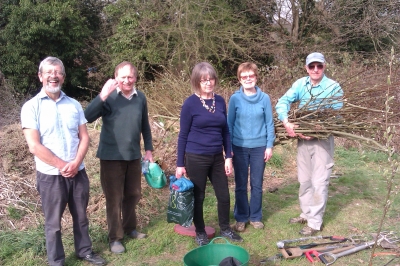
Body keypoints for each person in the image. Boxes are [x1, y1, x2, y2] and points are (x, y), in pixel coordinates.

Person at [21, 56, 106, 266]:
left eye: (58, 72)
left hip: (78, 172)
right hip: (50, 176)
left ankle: (85, 251)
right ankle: (56, 261)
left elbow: (84, 137)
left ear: (63, 77)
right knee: (53, 224)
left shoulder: (74, 105)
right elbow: (34, 145)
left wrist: (76, 163)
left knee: (81, 217)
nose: (54, 76)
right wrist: (62, 166)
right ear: (40, 76)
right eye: (49, 72)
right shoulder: (31, 107)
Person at [84, 61, 153, 254]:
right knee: (114, 199)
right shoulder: (109, 98)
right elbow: (87, 116)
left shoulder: (141, 98)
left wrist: (148, 149)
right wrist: (103, 95)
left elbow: (144, 126)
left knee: (133, 194)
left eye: (130, 76)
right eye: (123, 77)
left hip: (133, 155)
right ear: (116, 78)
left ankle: (130, 228)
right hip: (111, 157)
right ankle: (115, 238)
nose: (127, 80)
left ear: (136, 78)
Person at [275, 52, 343, 236]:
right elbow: (282, 102)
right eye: (311, 66)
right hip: (302, 139)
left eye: (319, 66)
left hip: (322, 140)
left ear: (324, 67)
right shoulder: (300, 84)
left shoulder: (333, 87)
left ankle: (314, 222)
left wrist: (318, 127)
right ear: (306, 68)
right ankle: (306, 213)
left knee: (319, 181)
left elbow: (337, 116)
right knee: (304, 179)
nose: (315, 69)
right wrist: (287, 122)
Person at [175, 62, 243, 246]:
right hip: (196, 156)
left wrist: (228, 156)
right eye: (203, 80)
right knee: (199, 196)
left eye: (211, 79)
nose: (208, 83)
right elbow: (183, 135)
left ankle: (225, 228)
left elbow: (226, 131)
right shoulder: (190, 104)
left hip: (217, 158)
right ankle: (200, 231)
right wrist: (180, 164)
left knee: (223, 195)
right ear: (197, 81)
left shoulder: (220, 101)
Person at [227, 62, 275, 232]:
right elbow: (229, 125)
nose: (248, 79)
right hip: (239, 147)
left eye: (251, 76)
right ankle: (241, 217)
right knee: (240, 184)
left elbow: (269, 123)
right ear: (239, 79)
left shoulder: (265, 98)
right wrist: (228, 149)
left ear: (256, 77)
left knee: (257, 184)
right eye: (244, 76)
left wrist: (269, 146)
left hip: (259, 148)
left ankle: (255, 216)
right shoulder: (235, 99)